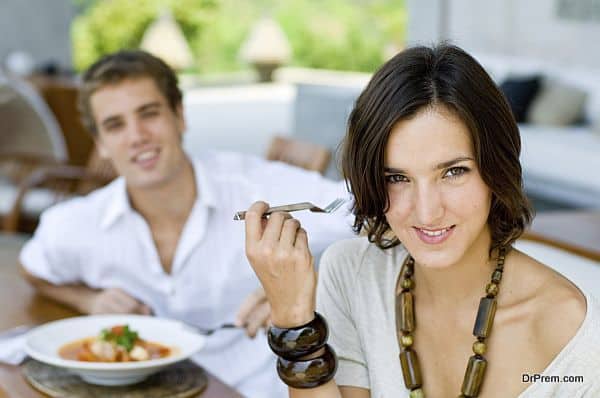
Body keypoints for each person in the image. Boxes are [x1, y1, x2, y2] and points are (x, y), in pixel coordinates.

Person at [243, 44, 600, 397]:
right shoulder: (352, 275)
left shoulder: (574, 335)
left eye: (453, 172)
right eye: (397, 178)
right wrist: (293, 321)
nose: (427, 212)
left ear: (497, 168)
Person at [19, 50, 352, 398]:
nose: (137, 136)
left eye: (149, 114)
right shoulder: (80, 224)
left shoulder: (252, 185)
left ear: (180, 117)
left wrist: (301, 293)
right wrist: (88, 300)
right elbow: (32, 266)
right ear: (100, 144)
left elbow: (370, 213)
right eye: (115, 125)